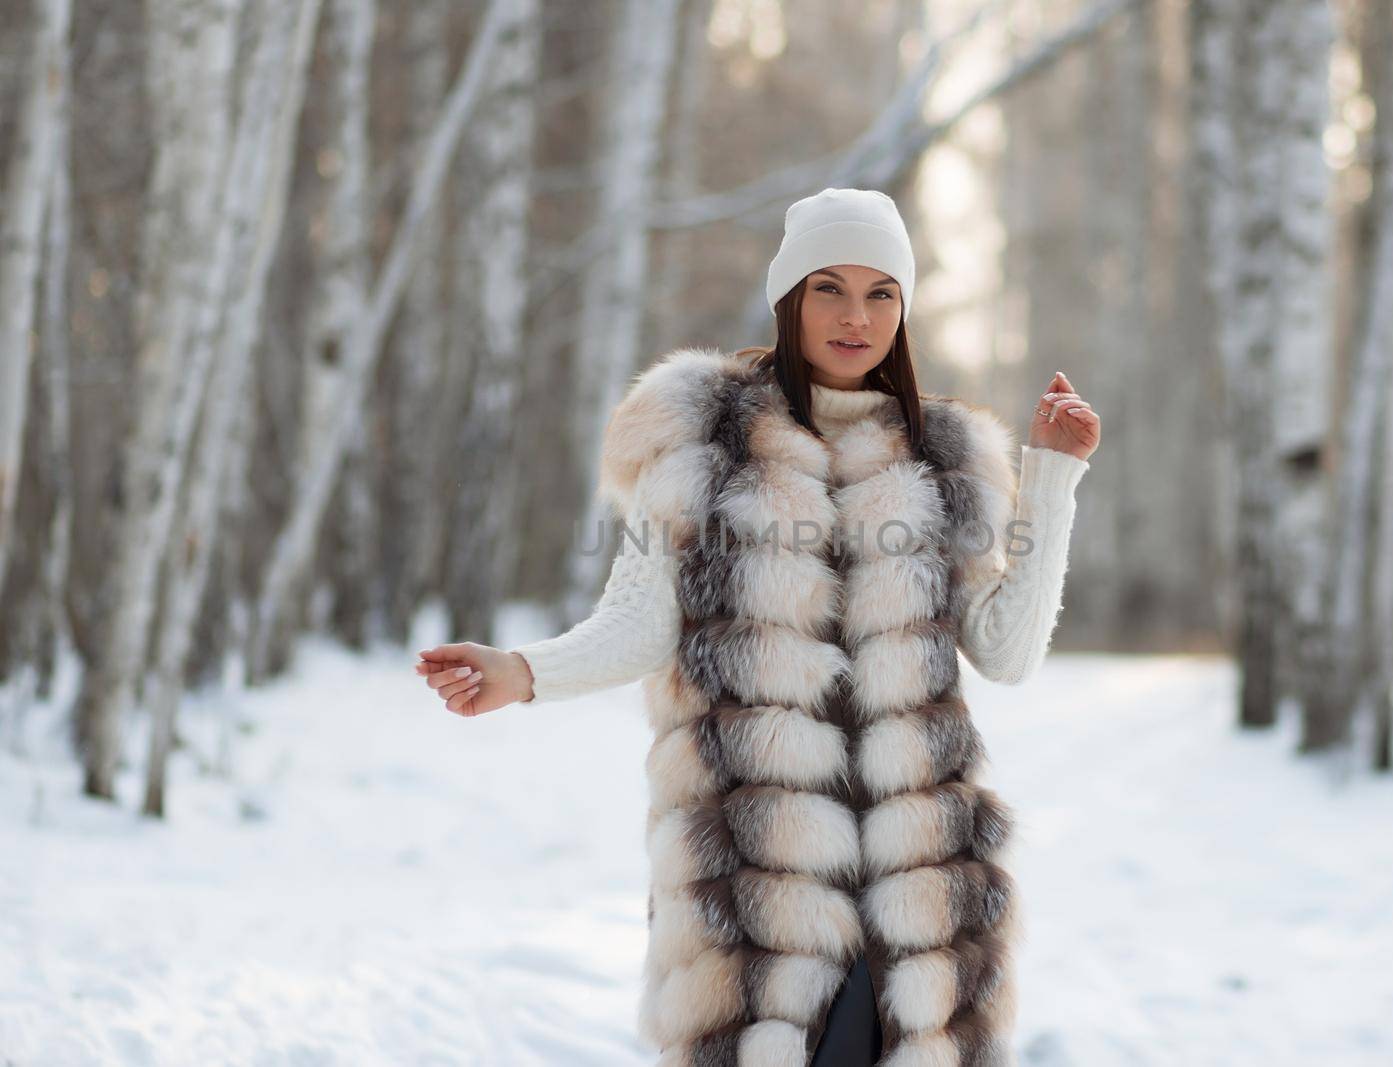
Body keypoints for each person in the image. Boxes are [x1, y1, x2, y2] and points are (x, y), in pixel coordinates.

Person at [416, 187, 1100, 1065]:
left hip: (921, 884)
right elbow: (638, 618)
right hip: (757, 874)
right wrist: (522, 670)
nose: (856, 316)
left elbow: (1005, 650)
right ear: (788, 299)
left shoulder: (946, 459)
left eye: (880, 293)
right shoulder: (705, 439)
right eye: (829, 288)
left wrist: (1051, 477)